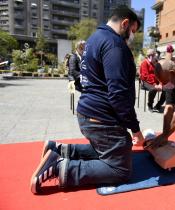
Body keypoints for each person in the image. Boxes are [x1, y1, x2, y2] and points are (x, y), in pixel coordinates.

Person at [30, 5, 144, 194]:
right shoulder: (115, 44)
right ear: (125, 23)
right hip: (101, 118)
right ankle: (59, 167)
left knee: (118, 146)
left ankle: (60, 149)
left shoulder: (94, 39)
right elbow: (118, 94)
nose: (132, 36)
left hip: (89, 112)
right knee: (121, 168)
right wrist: (136, 129)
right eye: (133, 31)